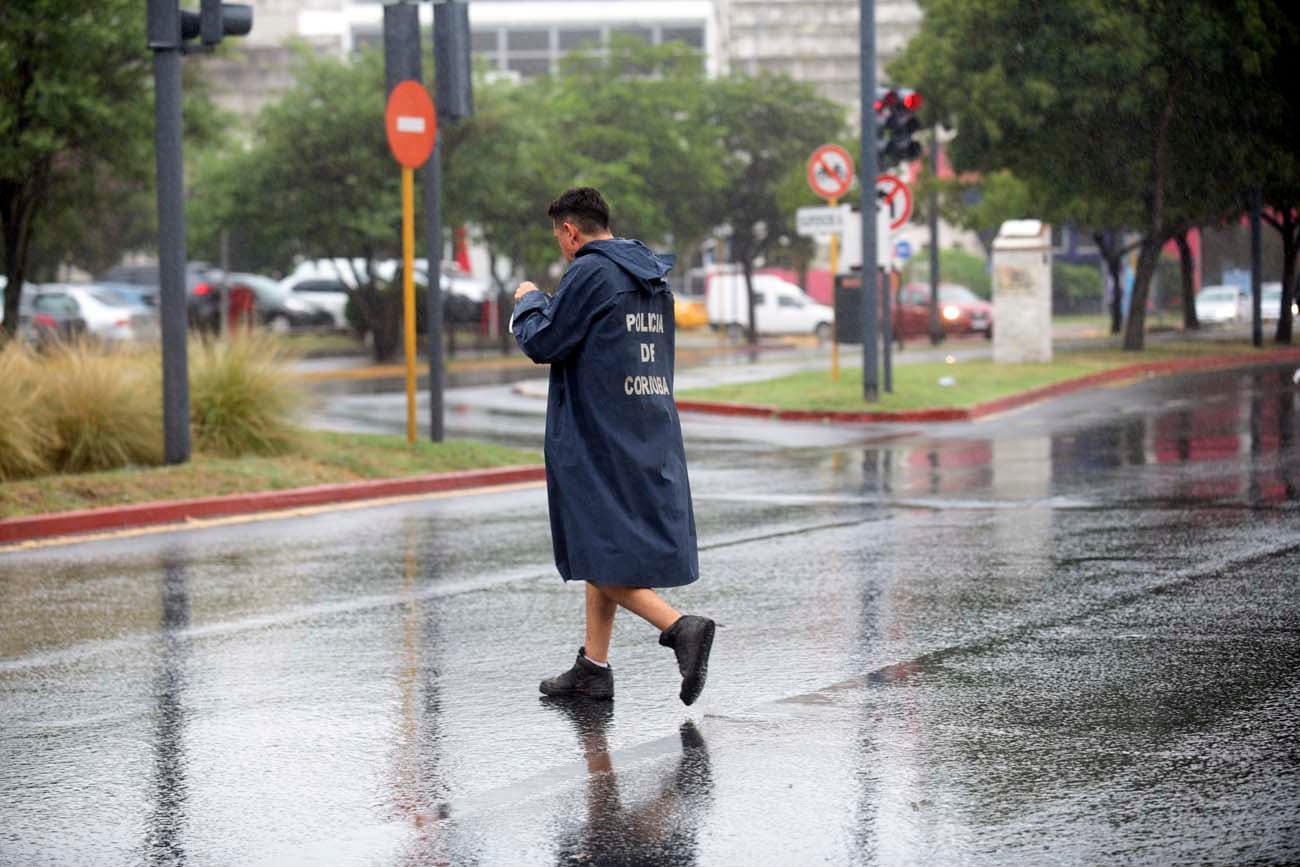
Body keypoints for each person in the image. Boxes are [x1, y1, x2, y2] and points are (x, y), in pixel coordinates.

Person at [511, 187, 715, 706]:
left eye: (558, 236)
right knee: (603, 544)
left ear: (570, 231)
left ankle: (679, 627)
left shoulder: (589, 271)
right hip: (645, 428)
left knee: (596, 553)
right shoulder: (647, 272)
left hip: (597, 435)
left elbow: (544, 341)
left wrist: (530, 301)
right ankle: (592, 669)